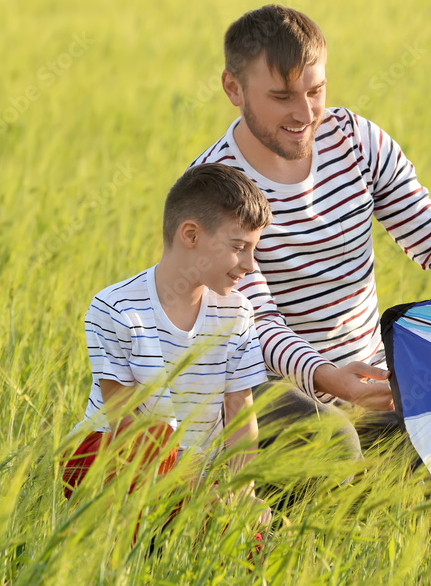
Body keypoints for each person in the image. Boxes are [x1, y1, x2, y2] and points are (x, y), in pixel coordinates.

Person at [191, 5, 431, 454]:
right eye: (282, 97)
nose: (304, 113)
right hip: (263, 390)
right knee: (335, 442)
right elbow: (259, 327)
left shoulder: (356, 141)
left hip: (367, 378)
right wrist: (329, 380)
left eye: (315, 91)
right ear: (233, 88)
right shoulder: (215, 190)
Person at [61, 163, 273, 525]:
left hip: (191, 475)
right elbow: (124, 418)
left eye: (253, 250)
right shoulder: (116, 307)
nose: (250, 265)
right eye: (239, 247)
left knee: (246, 539)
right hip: (114, 456)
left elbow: (240, 410)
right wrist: (194, 487)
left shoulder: (238, 313)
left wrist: (241, 492)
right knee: (153, 440)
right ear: (190, 235)